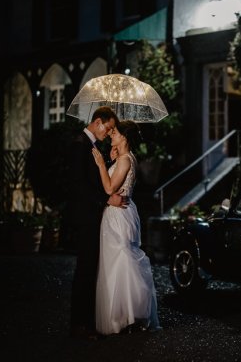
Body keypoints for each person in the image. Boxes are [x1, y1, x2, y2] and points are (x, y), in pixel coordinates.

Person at [91, 120, 161, 335]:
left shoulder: (124, 160)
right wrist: (111, 161)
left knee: (121, 260)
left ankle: (129, 314)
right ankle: (124, 314)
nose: (111, 133)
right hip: (119, 213)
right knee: (116, 262)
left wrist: (103, 165)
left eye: (116, 132)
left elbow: (110, 187)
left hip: (118, 216)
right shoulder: (123, 158)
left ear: (125, 137)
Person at [67, 106, 127, 340]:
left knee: (91, 268)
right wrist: (106, 198)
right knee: (85, 270)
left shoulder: (90, 145)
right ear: (98, 122)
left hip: (92, 217)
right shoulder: (79, 144)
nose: (109, 133)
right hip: (85, 218)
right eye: (109, 128)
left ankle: (86, 322)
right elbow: (78, 185)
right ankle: (79, 325)